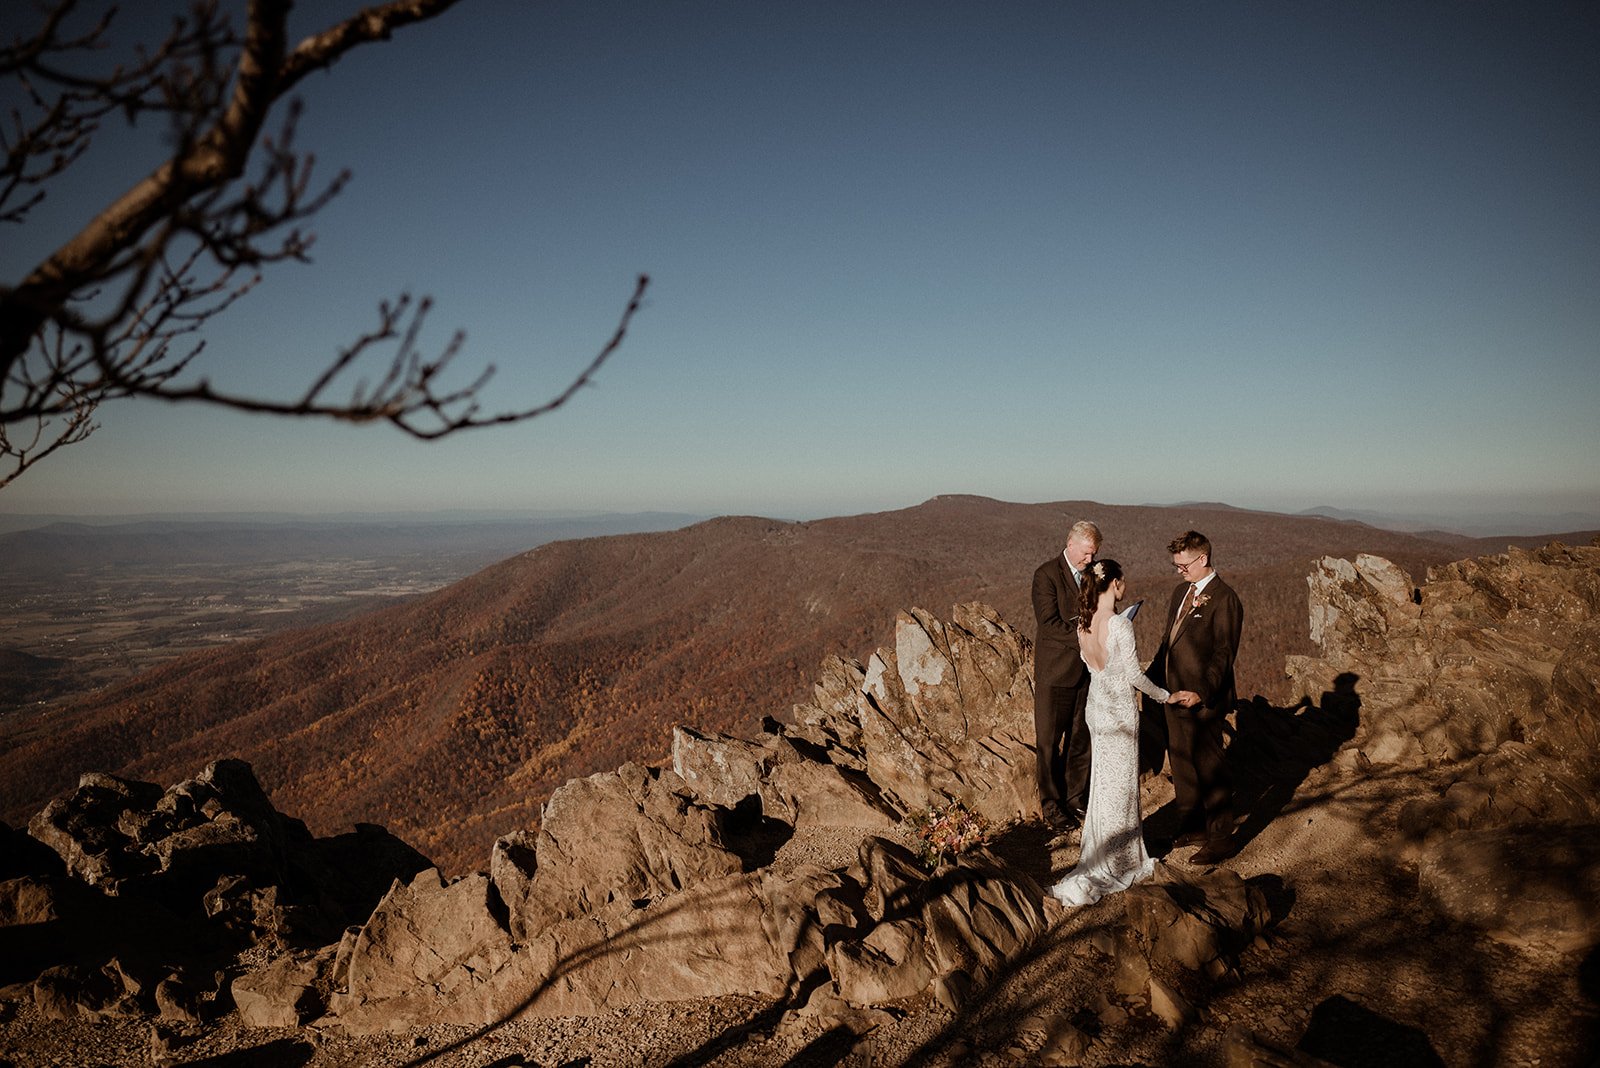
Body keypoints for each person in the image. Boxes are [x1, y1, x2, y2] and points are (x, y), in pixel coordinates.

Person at [1049, 559, 1199, 907]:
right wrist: (1166, 696)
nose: (1126, 584)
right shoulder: (1119, 625)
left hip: (1096, 711)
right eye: (1123, 580)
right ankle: (1122, 858)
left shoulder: (1083, 624)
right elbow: (1134, 676)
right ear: (1114, 584)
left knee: (1103, 785)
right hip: (1118, 712)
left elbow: (1098, 668)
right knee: (1121, 786)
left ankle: (1102, 850)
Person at [1147, 530, 1244, 866]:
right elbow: (1167, 642)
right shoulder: (1180, 593)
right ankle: (1193, 827)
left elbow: (1223, 652)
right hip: (1173, 694)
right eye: (1176, 565)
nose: (1179, 571)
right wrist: (1153, 683)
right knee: (1183, 763)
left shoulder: (1225, 598)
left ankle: (1221, 837)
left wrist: (1202, 692)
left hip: (1203, 698)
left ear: (1203, 559)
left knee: (1209, 765)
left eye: (1184, 565)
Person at [1031, 520, 1101, 830]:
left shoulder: (1094, 574)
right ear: (1070, 544)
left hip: (1087, 672)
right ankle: (1051, 805)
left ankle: (1076, 798)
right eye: (1086, 553)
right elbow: (1049, 623)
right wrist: (1087, 636)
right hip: (1055, 673)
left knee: (1080, 739)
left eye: (1094, 554)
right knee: (1048, 742)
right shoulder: (1046, 575)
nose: (1090, 559)